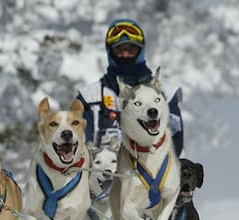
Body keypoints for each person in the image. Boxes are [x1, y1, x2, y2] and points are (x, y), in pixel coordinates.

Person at [76, 18, 184, 156]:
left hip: (153, 173)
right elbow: (80, 149)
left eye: (131, 49)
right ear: (110, 52)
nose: (125, 55)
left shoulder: (166, 93)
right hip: (105, 174)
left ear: (141, 50)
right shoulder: (90, 97)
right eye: (119, 50)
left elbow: (175, 147)